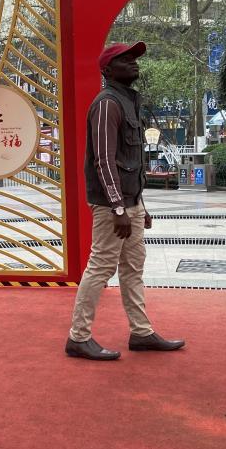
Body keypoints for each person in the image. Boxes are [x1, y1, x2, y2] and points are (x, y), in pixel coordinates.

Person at [66, 42, 185, 361]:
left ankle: (141, 332)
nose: (133, 63)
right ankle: (78, 337)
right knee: (100, 267)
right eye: (125, 59)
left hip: (130, 202)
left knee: (133, 267)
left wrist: (139, 204)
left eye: (134, 58)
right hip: (111, 206)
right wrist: (118, 207)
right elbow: (104, 160)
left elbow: (131, 161)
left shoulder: (129, 101)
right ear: (107, 70)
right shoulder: (107, 104)